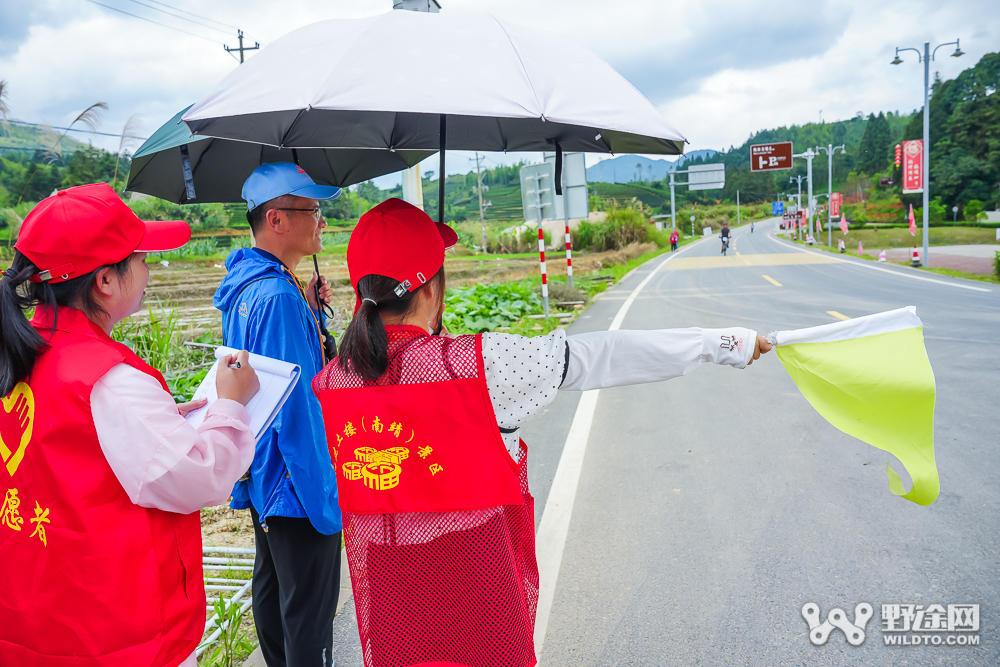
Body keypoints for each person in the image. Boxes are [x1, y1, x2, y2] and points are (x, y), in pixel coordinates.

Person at [311, 198, 772, 667]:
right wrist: (722, 344)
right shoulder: (477, 366)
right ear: (430, 289)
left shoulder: (330, 381)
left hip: (392, 598)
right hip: (478, 589)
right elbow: (602, 355)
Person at [0, 183, 260, 666]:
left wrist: (159, 421)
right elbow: (198, 478)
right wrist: (230, 405)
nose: (147, 271)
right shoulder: (111, 382)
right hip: (110, 630)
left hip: (34, 617)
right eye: (140, 258)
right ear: (105, 281)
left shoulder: (22, 353)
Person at [214, 162, 344, 665]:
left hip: (262, 473)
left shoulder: (247, 286)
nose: (321, 222)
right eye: (311, 210)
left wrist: (308, 308)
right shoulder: (276, 296)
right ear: (277, 220)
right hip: (295, 483)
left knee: (274, 598)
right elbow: (297, 410)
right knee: (309, 618)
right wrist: (323, 493)